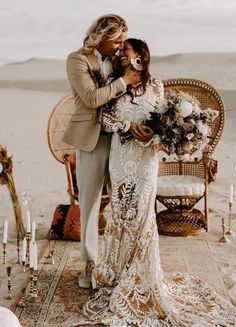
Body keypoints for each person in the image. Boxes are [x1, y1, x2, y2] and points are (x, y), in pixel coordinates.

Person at [81, 38, 236, 326]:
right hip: (121, 158)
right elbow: (104, 120)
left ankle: (140, 272)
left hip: (146, 159)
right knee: (122, 211)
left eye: (125, 52)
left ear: (140, 56)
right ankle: (116, 270)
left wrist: (153, 135)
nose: (121, 56)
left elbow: (164, 126)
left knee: (142, 214)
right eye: (121, 53)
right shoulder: (115, 84)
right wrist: (127, 127)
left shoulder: (157, 87)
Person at [63, 14, 142, 289]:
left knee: (124, 202)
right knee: (90, 202)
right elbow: (92, 98)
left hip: (122, 140)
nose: (121, 47)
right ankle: (89, 264)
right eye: (117, 41)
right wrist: (124, 82)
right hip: (92, 139)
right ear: (103, 38)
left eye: (123, 41)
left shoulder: (117, 59)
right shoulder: (78, 60)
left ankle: (120, 263)